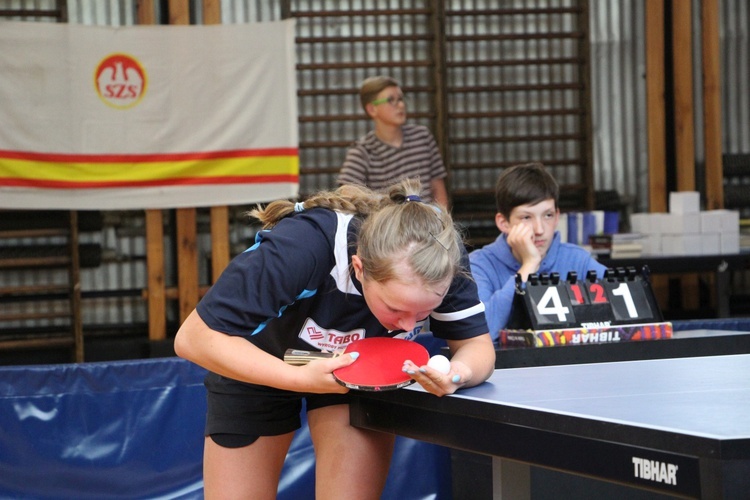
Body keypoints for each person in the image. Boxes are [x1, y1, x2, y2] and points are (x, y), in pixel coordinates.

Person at [174, 178, 495, 499]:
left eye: (424, 311)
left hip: (355, 374)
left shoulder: (441, 259)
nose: (408, 324)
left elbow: (476, 347)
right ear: (359, 268)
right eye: (395, 308)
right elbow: (192, 338)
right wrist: (299, 378)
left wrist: (457, 375)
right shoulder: (301, 248)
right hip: (258, 363)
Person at [469, 162, 608, 342]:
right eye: (526, 217)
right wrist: (529, 266)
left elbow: (622, 320)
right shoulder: (479, 265)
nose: (540, 229)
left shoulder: (578, 260)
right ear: (503, 222)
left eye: (547, 215)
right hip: (508, 368)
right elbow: (480, 334)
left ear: (557, 216)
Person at [337, 75, 449, 208]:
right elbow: (346, 193)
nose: (401, 105)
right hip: (390, 227)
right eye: (391, 100)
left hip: (428, 224)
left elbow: (438, 189)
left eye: (401, 99)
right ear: (372, 109)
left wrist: (441, 220)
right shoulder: (363, 151)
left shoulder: (422, 136)